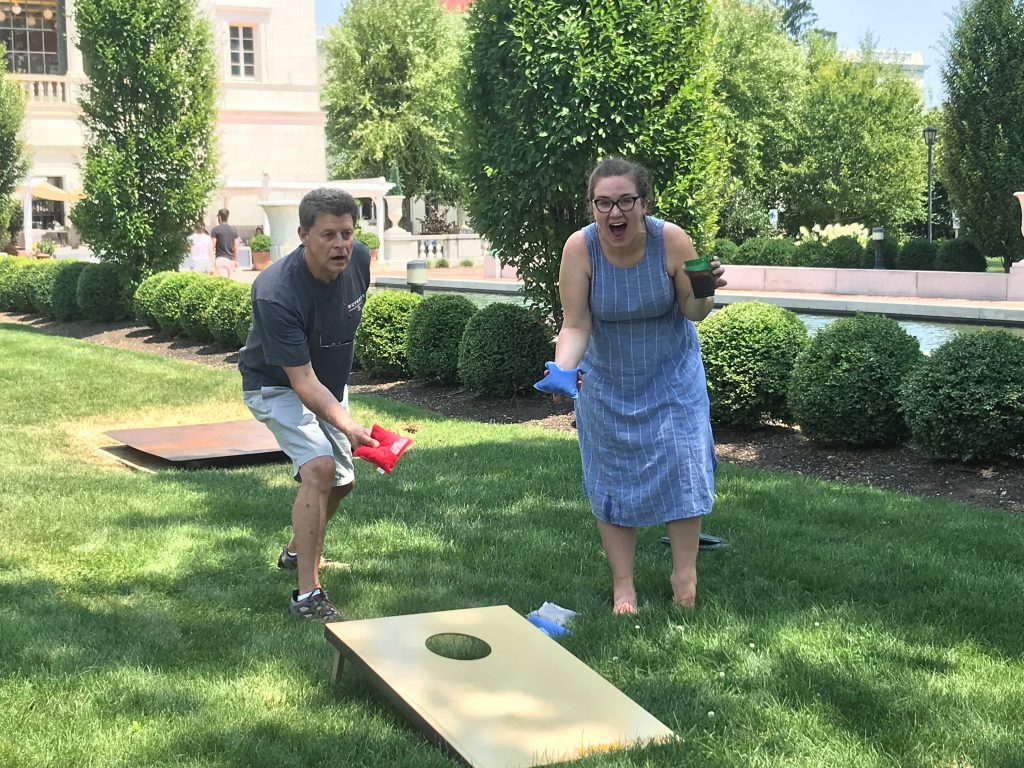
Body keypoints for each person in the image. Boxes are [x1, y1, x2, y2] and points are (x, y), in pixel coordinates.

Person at [550, 157, 726, 614]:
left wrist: (704, 289)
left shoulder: (671, 240)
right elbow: (575, 324)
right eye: (603, 203)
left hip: (671, 377)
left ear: (643, 203)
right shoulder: (580, 249)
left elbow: (693, 311)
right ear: (592, 206)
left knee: (682, 465)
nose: (614, 213)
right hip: (607, 381)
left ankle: (684, 577)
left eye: (625, 201)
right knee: (610, 477)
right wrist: (563, 371)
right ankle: (623, 586)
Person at [238, 188, 377, 622]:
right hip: (275, 386)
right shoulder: (275, 291)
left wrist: (341, 415)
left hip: (327, 385)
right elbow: (301, 382)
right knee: (318, 467)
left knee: (341, 482)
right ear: (303, 235)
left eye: (347, 233)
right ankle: (307, 595)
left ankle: (296, 550)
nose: (340, 245)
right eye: (328, 235)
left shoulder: (360, 260)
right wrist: (349, 426)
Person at [210, 208, 239, 277]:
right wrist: (235, 260)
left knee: (221, 283)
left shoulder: (215, 230)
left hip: (220, 259)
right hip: (231, 260)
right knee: (231, 284)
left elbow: (212, 246)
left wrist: (211, 262)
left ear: (219, 217)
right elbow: (236, 246)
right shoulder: (233, 230)